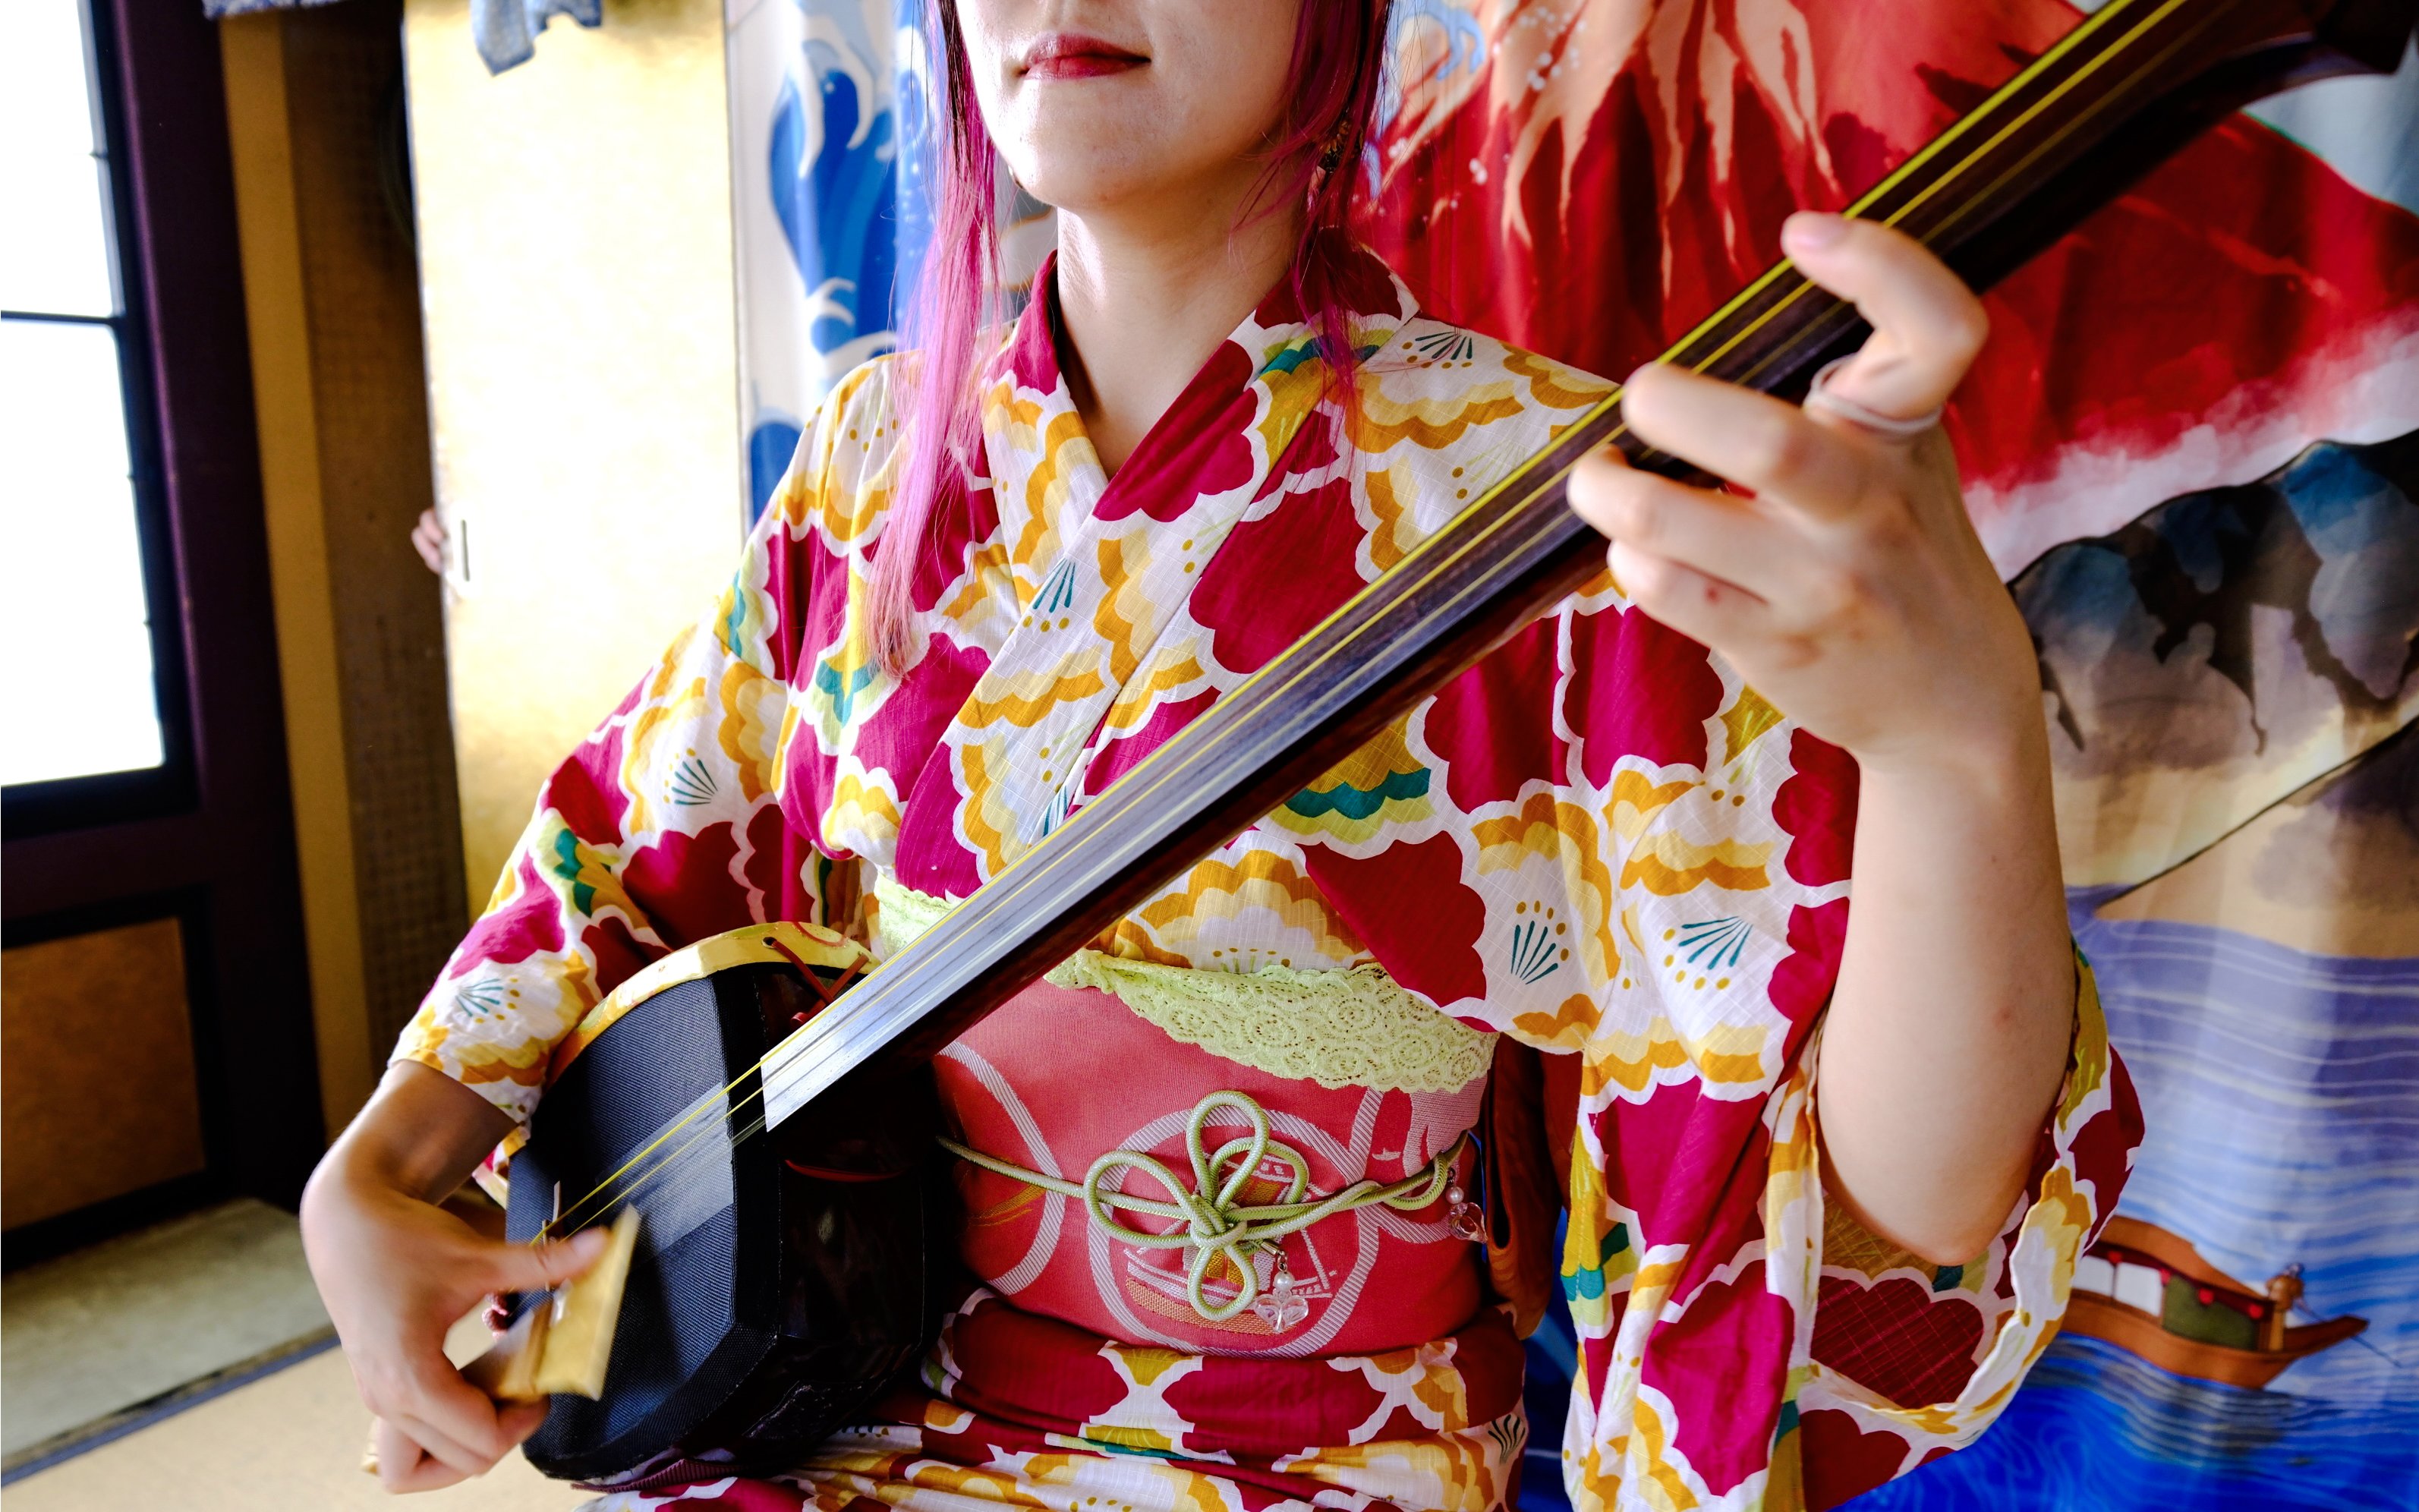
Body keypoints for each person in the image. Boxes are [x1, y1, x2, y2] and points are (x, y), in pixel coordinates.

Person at [301, 3, 2139, 1508]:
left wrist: (1955, 743)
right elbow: (627, 847)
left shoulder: (1561, 504)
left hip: (1308, 1458)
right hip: (829, 1395)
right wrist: (379, 1167)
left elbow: (1878, 1205)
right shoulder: (878, 458)